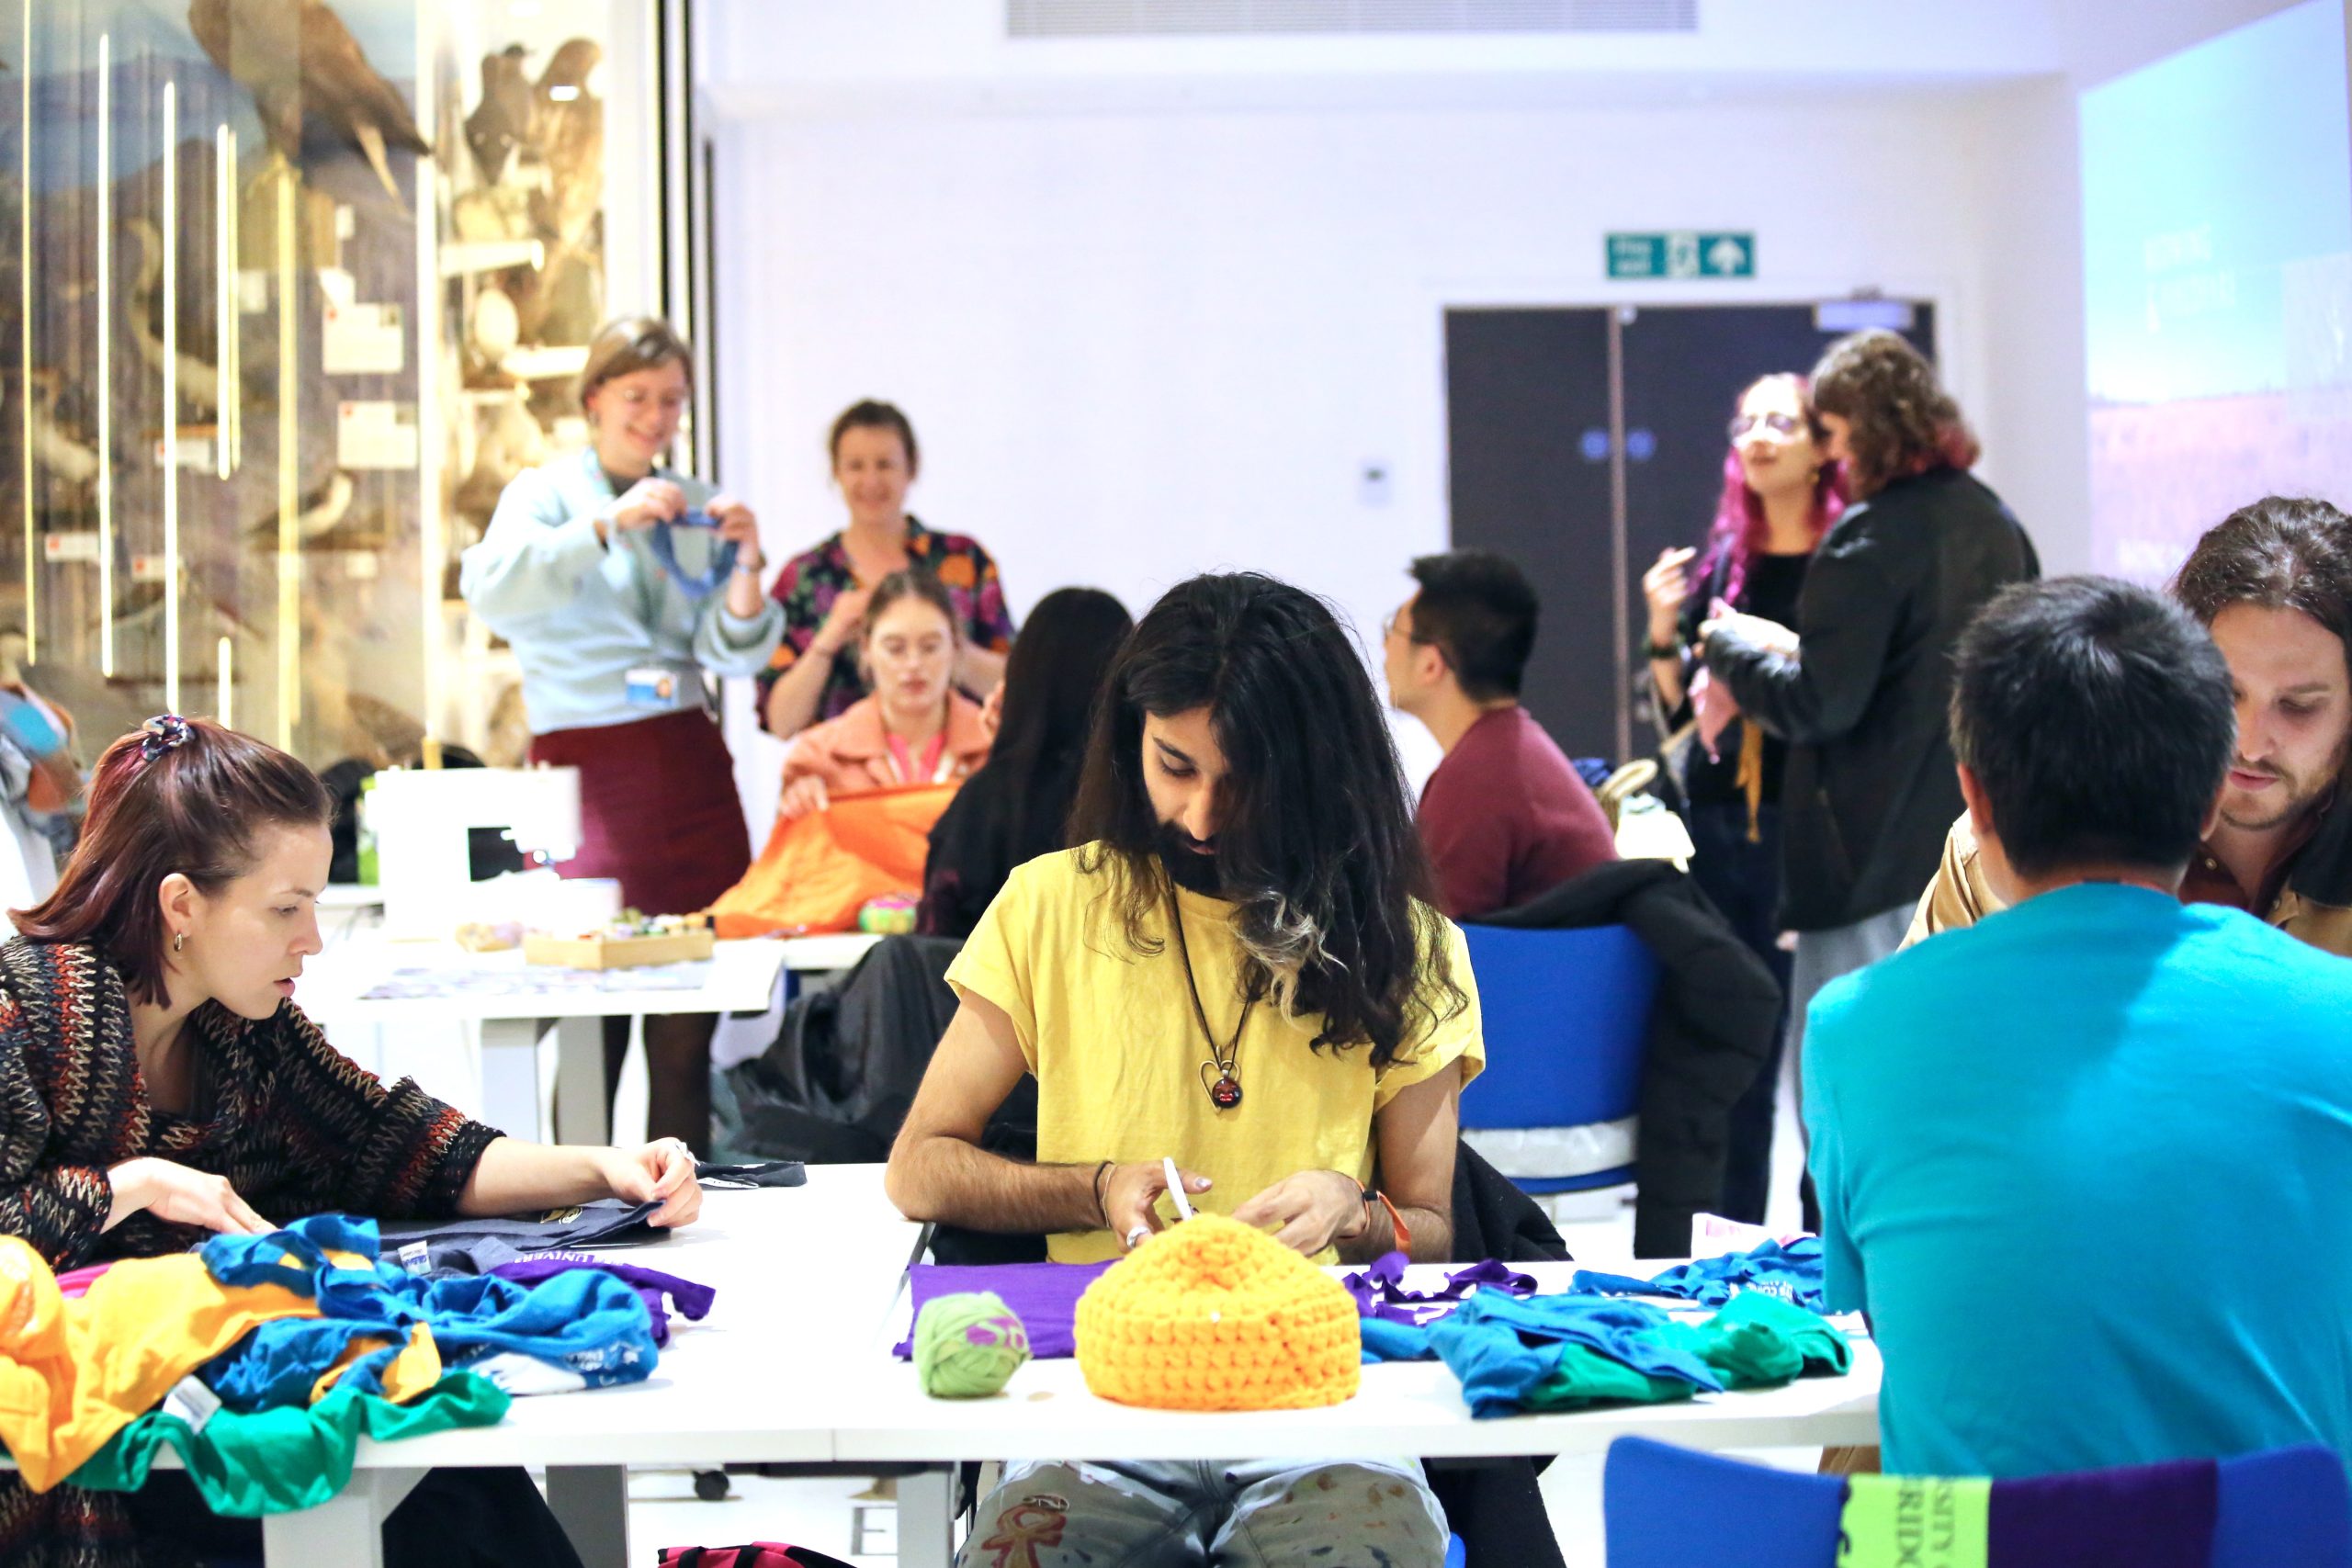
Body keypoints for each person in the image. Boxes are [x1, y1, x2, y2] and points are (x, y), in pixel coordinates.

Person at [0, 715, 702, 1563]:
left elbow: (405, 1144)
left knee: (464, 1476)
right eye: (286, 907)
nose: (313, 938)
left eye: (316, 904)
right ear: (182, 903)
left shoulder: (245, 1029)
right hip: (81, 1459)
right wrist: (136, 1185)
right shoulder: (26, 1012)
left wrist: (601, 1166)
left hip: (188, 1418)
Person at [887, 573, 1480, 1568]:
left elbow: (1431, 1232)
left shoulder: (1405, 944)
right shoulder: (1050, 908)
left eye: (1242, 781)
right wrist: (1091, 1188)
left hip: (1319, 1401)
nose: (1202, 816)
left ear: (1315, 769)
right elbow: (919, 1167)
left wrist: (1355, 1210)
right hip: (1096, 1396)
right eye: (1173, 767)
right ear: (1131, 742)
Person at [1805, 577, 2352, 1477]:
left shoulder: (1852, 1029)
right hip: (2268, 1543)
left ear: (1974, 799)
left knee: (1844, 1527)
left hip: (1972, 1543)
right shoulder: (2334, 1013)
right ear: (2207, 798)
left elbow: (1879, 1317)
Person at [1699, 329, 2035, 1221]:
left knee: (1845, 1105)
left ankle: (1841, 1295)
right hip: (1981, 854)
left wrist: (1730, 645)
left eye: (1832, 431)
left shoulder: (1864, 542)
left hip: (1863, 861)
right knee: (1954, 1096)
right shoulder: (1995, 523)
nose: (1829, 451)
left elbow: (1820, 705)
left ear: (1863, 431)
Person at [458, 315, 782, 1152]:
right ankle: (578, 1214)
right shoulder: (546, 493)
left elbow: (728, 648)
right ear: (595, 398)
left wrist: (746, 562)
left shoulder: (697, 503)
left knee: (684, 1032)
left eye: (671, 399)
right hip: (584, 771)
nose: (654, 415)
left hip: (686, 763)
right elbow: (492, 588)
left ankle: (682, 1208)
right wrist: (604, 524)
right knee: (586, 1018)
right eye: (636, 396)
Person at [1908, 495, 2352, 956]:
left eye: (2298, 707)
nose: (2252, 742)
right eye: (2227, 691)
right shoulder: (2019, 835)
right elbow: (1915, 1018)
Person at [1640, 373, 1840, 1224]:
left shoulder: (1850, 558)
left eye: (1779, 421)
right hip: (1725, 827)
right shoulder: (1726, 560)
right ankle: (1731, 1235)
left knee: (1827, 1043)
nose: (1757, 435)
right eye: (1746, 420)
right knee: (1740, 1038)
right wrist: (1659, 632)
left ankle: (1822, 1238)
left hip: (1823, 829)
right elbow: (1681, 721)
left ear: (1822, 444)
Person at [756, 400, 1015, 740]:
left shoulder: (964, 560)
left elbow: (1018, 693)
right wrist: (828, 641)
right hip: (845, 776)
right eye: (856, 466)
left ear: (911, 468)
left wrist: (945, 643)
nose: (871, 480)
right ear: (836, 472)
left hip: (963, 767)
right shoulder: (805, 576)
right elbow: (781, 721)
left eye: (885, 465)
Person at [1383, 549, 1616, 919]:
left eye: (1390, 630)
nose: (1383, 648)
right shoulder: (1510, 751)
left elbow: (1431, 950)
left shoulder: (1479, 779)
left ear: (1431, 663)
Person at [919, 585, 1132, 938]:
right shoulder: (1143, 796)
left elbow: (934, 943)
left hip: (992, 992)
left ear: (1019, 677)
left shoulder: (983, 803)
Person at [774, 571, 994, 823]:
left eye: (930, 646)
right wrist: (798, 803)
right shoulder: (818, 757)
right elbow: (796, 856)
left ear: (955, 646)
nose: (913, 664)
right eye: (895, 648)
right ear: (866, 649)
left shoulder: (998, 749)